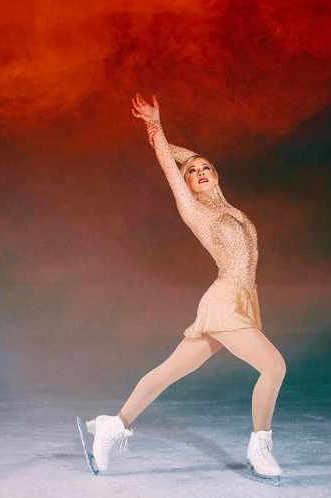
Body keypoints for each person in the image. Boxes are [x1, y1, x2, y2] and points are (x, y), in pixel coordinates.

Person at [77, 92, 286, 485]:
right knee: (274, 367)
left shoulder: (229, 208)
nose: (200, 172)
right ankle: (259, 447)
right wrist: (155, 127)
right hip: (225, 301)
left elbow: (192, 158)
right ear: (185, 183)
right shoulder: (195, 210)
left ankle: (113, 424)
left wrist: (187, 155)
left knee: (169, 371)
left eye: (207, 168)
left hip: (243, 300)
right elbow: (171, 166)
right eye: (192, 172)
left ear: (217, 174)